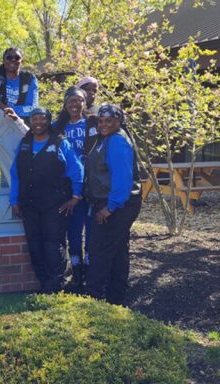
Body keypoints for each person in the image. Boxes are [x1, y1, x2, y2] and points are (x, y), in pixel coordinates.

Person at [6, 106, 84, 294]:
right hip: (29, 204)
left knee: (52, 243)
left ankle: (56, 283)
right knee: (34, 243)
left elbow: (77, 170)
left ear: (49, 121)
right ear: (30, 122)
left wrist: (75, 196)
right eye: (35, 119)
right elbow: (15, 174)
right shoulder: (25, 143)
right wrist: (14, 200)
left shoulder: (59, 143)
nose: (38, 123)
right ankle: (44, 282)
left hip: (54, 204)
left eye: (42, 119)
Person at [84, 104, 142, 305]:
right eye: (100, 121)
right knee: (117, 250)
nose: (104, 124)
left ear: (119, 121)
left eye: (109, 121)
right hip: (111, 203)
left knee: (101, 249)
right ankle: (116, 297)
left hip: (117, 205)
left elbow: (123, 179)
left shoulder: (117, 141)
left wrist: (111, 207)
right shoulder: (107, 139)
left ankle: (94, 297)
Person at [52, 86, 98, 291]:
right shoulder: (58, 126)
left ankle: (90, 269)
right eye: (71, 100)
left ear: (85, 102)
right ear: (65, 103)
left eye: (79, 100)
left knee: (91, 229)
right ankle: (76, 271)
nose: (75, 104)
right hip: (69, 187)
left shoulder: (93, 123)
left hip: (93, 185)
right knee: (73, 230)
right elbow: (35, 133)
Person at [0, 47, 39, 118]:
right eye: (9, 57)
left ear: (22, 61)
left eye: (17, 58)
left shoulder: (30, 79)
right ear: (3, 60)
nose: (13, 60)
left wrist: (7, 108)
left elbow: (33, 108)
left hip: (20, 122)